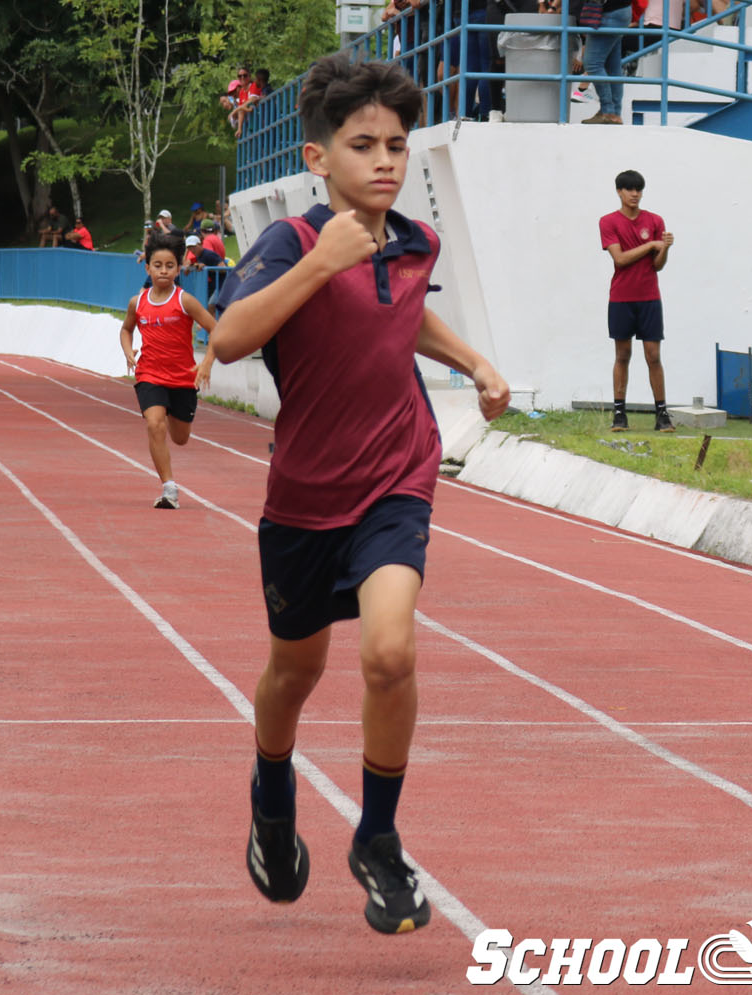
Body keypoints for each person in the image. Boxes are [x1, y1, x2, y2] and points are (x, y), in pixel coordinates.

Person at [208, 53, 510, 935]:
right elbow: (227, 340)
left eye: (397, 145)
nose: (385, 160)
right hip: (304, 496)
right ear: (317, 158)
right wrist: (319, 263)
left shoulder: (416, 242)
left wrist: (474, 362)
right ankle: (271, 790)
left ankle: (376, 837)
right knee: (294, 672)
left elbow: (402, 311)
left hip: (395, 477)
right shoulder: (290, 243)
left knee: (389, 653)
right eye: (363, 145)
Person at [118, 231, 218, 509]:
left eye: (169, 266)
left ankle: (177, 422)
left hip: (183, 378)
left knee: (180, 438)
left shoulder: (185, 301)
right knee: (154, 424)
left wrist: (207, 362)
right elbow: (126, 330)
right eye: (158, 266)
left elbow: (216, 331)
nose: (163, 271)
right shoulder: (137, 303)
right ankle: (169, 488)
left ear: (179, 267)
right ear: (147, 267)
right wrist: (128, 351)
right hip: (150, 374)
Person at [600, 169, 675, 431]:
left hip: (649, 297)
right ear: (619, 191)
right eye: (629, 189)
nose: (635, 194)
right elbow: (619, 259)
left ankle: (662, 415)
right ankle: (619, 414)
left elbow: (658, 265)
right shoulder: (608, 222)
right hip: (621, 298)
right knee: (623, 354)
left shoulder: (655, 220)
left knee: (653, 355)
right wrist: (651, 245)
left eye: (639, 189)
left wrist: (663, 248)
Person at [583, 0, 633, 124]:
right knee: (612, 66)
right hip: (621, 11)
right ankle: (614, 113)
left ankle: (608, 111)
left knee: (592, 63)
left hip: (609, 13)